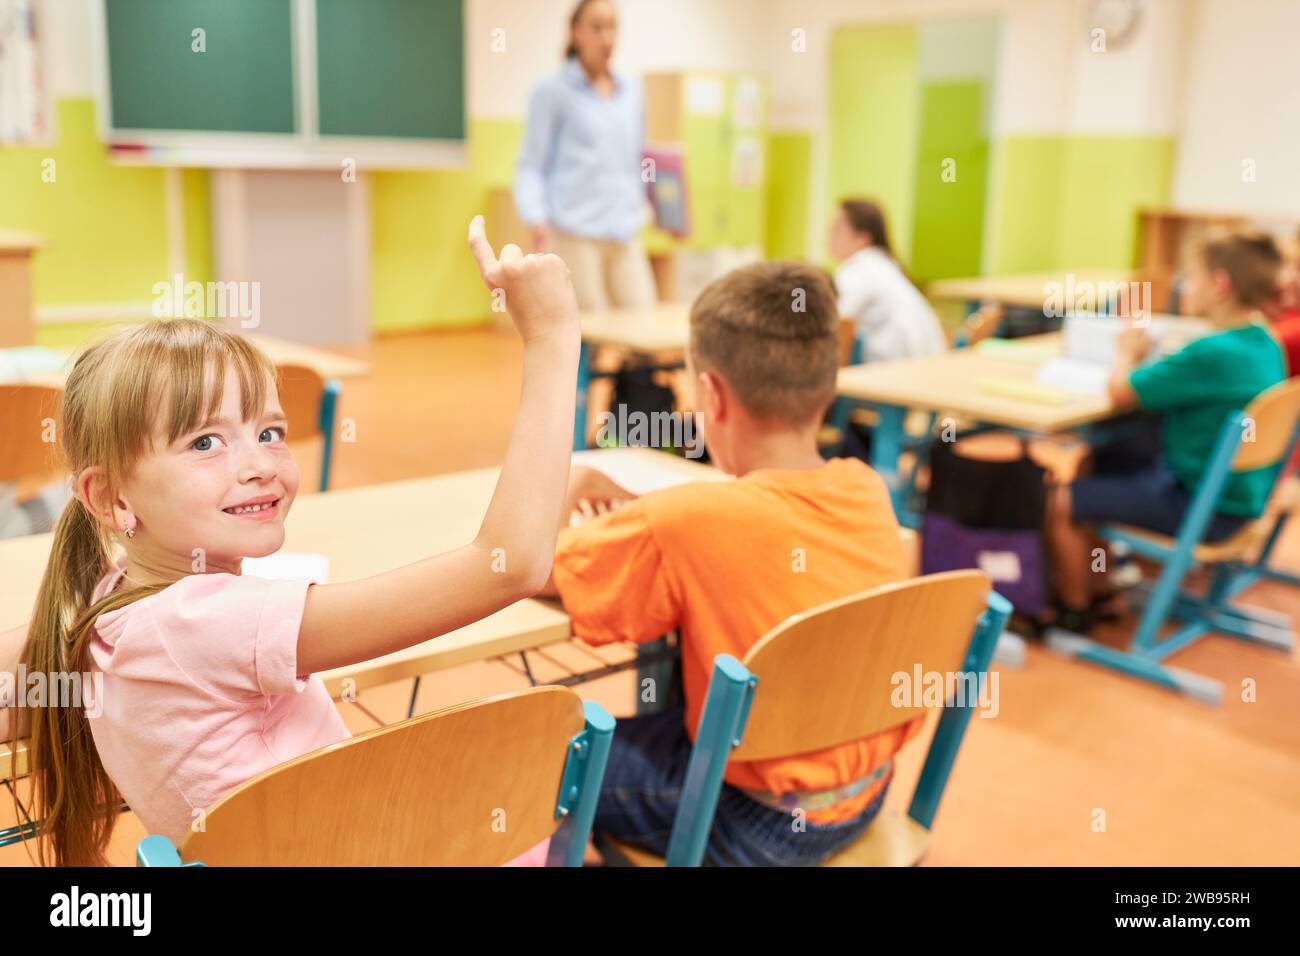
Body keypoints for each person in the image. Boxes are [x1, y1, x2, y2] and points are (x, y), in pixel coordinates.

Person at [13, 218, 580, 865]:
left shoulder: (108, 603)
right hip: (360, 846)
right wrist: (553, 338)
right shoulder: (214, 621)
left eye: (270, 431)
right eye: (205, 442)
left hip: (324, 839)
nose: (259, 464)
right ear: (112, 497)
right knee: (538, 821)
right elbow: (510, 567)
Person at [537, 261, 913, 866]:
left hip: (754, 820)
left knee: (535, 750)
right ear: (827, 387)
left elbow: (537, 568)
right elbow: (753, 531)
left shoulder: (689, 523)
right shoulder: (867, 490)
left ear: (709, 394)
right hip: (866, 790)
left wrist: (573, 482)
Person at [1045, 231, 1286, 632]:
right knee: (1098, 459)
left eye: (1191, 278)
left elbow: (1121, 390)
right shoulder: (1266, 343)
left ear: (1220, 285)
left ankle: (1075, 611)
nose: (1184, 288)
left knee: (1061, 498)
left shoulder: (1212, 352)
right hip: (1243, 501)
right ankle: (1102, 589)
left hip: (1201, 509)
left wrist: (1126, 354)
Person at [514, 0, 656, 312]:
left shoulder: (631, 92)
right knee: (590, 332)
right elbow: (531, 165)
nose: (606, 37)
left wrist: (659, 205)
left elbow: (639, 160)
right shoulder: (552, 91)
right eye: (596, 27)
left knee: (645, 321)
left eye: (612, 27)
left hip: (624, 229)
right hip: (575, 232)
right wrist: (535, 217)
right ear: (575, 32)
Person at [828, 198, 947, 362]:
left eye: (836, 229)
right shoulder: (886, 265)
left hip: (894, 365)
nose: (828, 237)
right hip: (925, 359)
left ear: (862, 238)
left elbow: (835, 322)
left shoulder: (859, 270)